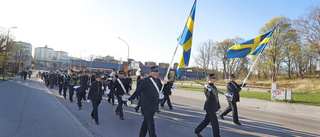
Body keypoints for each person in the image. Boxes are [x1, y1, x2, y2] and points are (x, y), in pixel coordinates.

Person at [128, 66, 162, 137]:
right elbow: (138, 90)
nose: (157, 73)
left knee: (146, 123)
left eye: (157, 72)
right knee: (150, 124)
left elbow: (161, 90)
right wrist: (131, 98)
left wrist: (166, 83)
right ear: (151, 73)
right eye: (155, 72)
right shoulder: (146, 81)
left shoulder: (158, 81)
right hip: (146, 106)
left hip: (153, 106)